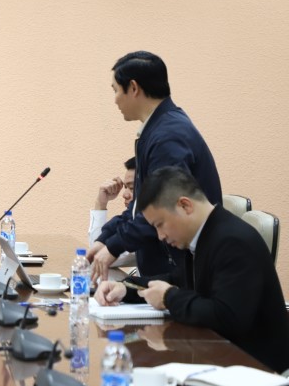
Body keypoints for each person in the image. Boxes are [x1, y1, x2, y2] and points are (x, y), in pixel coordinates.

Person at [95, 167, 289, 373]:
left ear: (185, 205)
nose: (160, 236)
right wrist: (127, 289)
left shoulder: (233, 241)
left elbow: (227, 318)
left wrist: (169, 298)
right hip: (220, 360)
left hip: (257, 371)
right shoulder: (205, 234)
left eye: (160, 224)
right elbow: (178, 280)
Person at [89, 51, 222, 281]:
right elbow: (138, 209)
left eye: (116, 90)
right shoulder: (158, 129)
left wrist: (113, 248)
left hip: (182, 277)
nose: (115, 100)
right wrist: (105, 240)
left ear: (133, 88)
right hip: (166, 273)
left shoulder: (168, 136)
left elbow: (162, 208)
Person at [89, 157, 137, 279]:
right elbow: (98, 252)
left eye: (132, 188)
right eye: (125, 187)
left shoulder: (146, 225)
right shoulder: (129, 219)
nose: (124, 194)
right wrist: (101, 203)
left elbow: (101, 255)